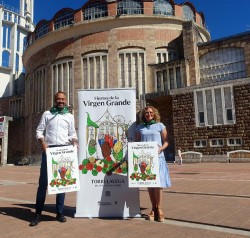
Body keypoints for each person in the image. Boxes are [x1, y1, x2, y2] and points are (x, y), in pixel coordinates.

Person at [30, 91, 78, 227]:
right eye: (58, 99)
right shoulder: (47, 114)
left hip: (63, 150)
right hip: (49, 150)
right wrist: (43, 143)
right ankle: (38, 213)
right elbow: (39, 130)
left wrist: (74, 140)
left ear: (65, 100)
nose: (61, 101)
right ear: (54, 100)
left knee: (62, 182)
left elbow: (72, 133)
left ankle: (60, 212)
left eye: (63, 99)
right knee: (43, 183)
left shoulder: (69, 116)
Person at [136, 106, 171, 222]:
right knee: (150, 184)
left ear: (154, 114)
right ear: (143, 115)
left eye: (151, 112)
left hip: (158, 157)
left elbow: (166, 141)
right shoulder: (139, 127)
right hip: (145, 160)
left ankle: (159, 208)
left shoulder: (160, 125)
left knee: (158, 184)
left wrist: (161, 149)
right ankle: (153, 208)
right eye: (146, 113)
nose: (149, 114)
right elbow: (136, 143)